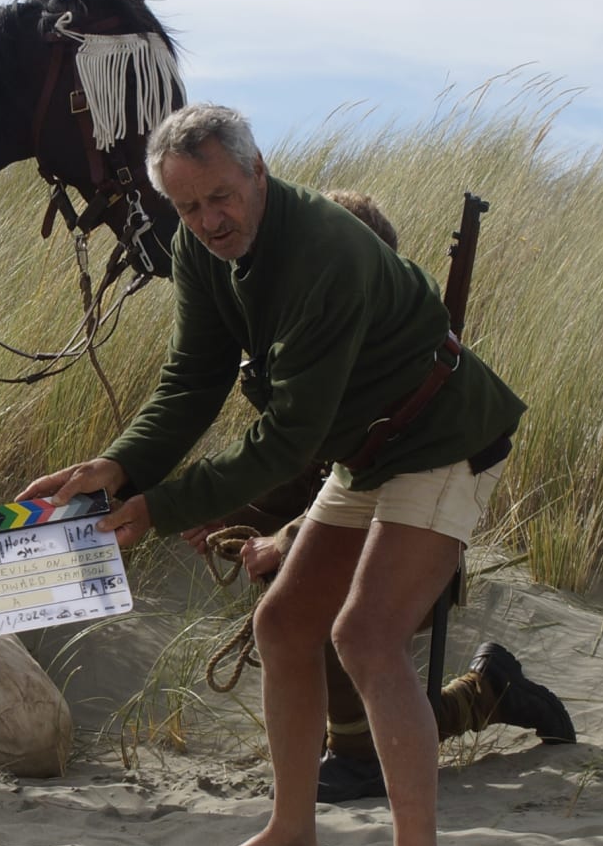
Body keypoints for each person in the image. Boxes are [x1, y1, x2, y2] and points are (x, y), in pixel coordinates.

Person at [23, 104, 528, 846]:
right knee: (285, 624)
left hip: (441, 439)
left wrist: (157, 509)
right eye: (187, 206)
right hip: (364, 453)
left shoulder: (326, 250)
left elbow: (289, 440)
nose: (208, 221)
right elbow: (191, 382)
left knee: (365, 636)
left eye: (221, 197)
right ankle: (292, 831)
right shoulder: (198, 250)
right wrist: (117, 468)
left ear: (258, 172)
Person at [180, 190, 572, 804]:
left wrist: (284, 540)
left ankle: (472, 701)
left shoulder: (392, 359)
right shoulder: (314, 344)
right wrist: (222, 514)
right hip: (350, 535)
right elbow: (300, 467)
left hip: (408, 553)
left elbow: (392, 486)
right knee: (301, 630)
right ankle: (470, 698)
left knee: (356, 664)